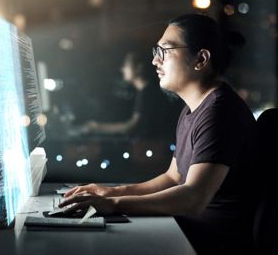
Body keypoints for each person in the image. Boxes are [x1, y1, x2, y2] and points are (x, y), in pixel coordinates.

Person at [60, 13, 261, 254]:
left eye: (164, 50)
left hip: (209, 244)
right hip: (187, 232)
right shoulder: (192, 109)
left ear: (201, 59)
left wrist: (113, 205)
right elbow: (173, 178)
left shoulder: (220, 112)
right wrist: (113, 192)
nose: (155, 61)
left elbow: (193, 198)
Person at [81, 50, 178, 141]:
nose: (122, 69)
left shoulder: (148, 93)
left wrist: (97, 127)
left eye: (126, 65)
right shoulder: (144, 91)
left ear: (139, 67)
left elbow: (133, 126)